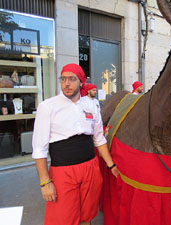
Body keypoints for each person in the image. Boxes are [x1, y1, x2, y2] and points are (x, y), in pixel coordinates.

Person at [32, 63, 119, 225]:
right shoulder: (47, 107)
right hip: (63, 172)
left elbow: (99, 139)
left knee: (87, 215)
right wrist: (45, 182)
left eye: (71, 79)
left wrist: (110, 165)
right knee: (63, 219)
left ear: (81, 82)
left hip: (91, 168)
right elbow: (39, 149)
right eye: (63, 79)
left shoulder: (91, 105)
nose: (66, 83)